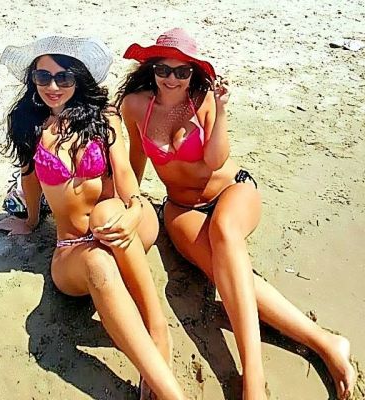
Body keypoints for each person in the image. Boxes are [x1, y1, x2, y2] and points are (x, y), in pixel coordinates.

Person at [115, 28, 356, 400]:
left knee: (225, 232)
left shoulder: (204, 100)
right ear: (151, 68)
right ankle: (326, 343)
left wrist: (221, 109)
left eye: (182, 71)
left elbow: (216, 160)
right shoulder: (134, 106)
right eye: (163, 69)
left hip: (231, 190)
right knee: (227, 275)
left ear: (194, 73)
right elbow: (134, 161)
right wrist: (128, 201)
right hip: (182, 209)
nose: (172, 78)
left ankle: (253, 380)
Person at [0, 35, 187, 400]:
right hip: (75, 249)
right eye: (43, 76)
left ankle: (157, 328)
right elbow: (29, 180)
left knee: (105, 212)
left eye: (63, 77)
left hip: (123, 225)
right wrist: (30, 222)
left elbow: (125, 177)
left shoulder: (103, 117)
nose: (52, 86)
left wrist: (133, 211)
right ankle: (169, 389)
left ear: (78, 78)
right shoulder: (28, 124)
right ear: (32, 79)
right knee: (98, 261)